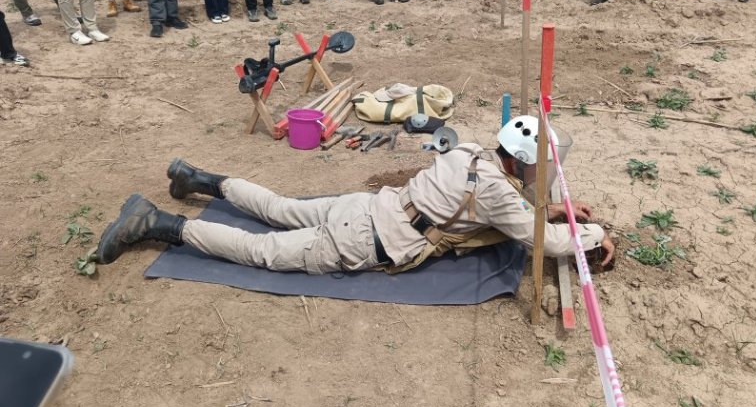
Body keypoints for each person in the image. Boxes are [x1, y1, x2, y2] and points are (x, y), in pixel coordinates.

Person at [95, 116, 616, 275]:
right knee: (261, 252)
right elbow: (546, 243)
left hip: (365, 207)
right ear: (521, 161)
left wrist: (550, 208)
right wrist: (592, 233)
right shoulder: (500, 195)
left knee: (277, 207)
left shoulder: (471, 151)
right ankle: (158, 223)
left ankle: (197, 178)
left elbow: (498, 203)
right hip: (364, 241)